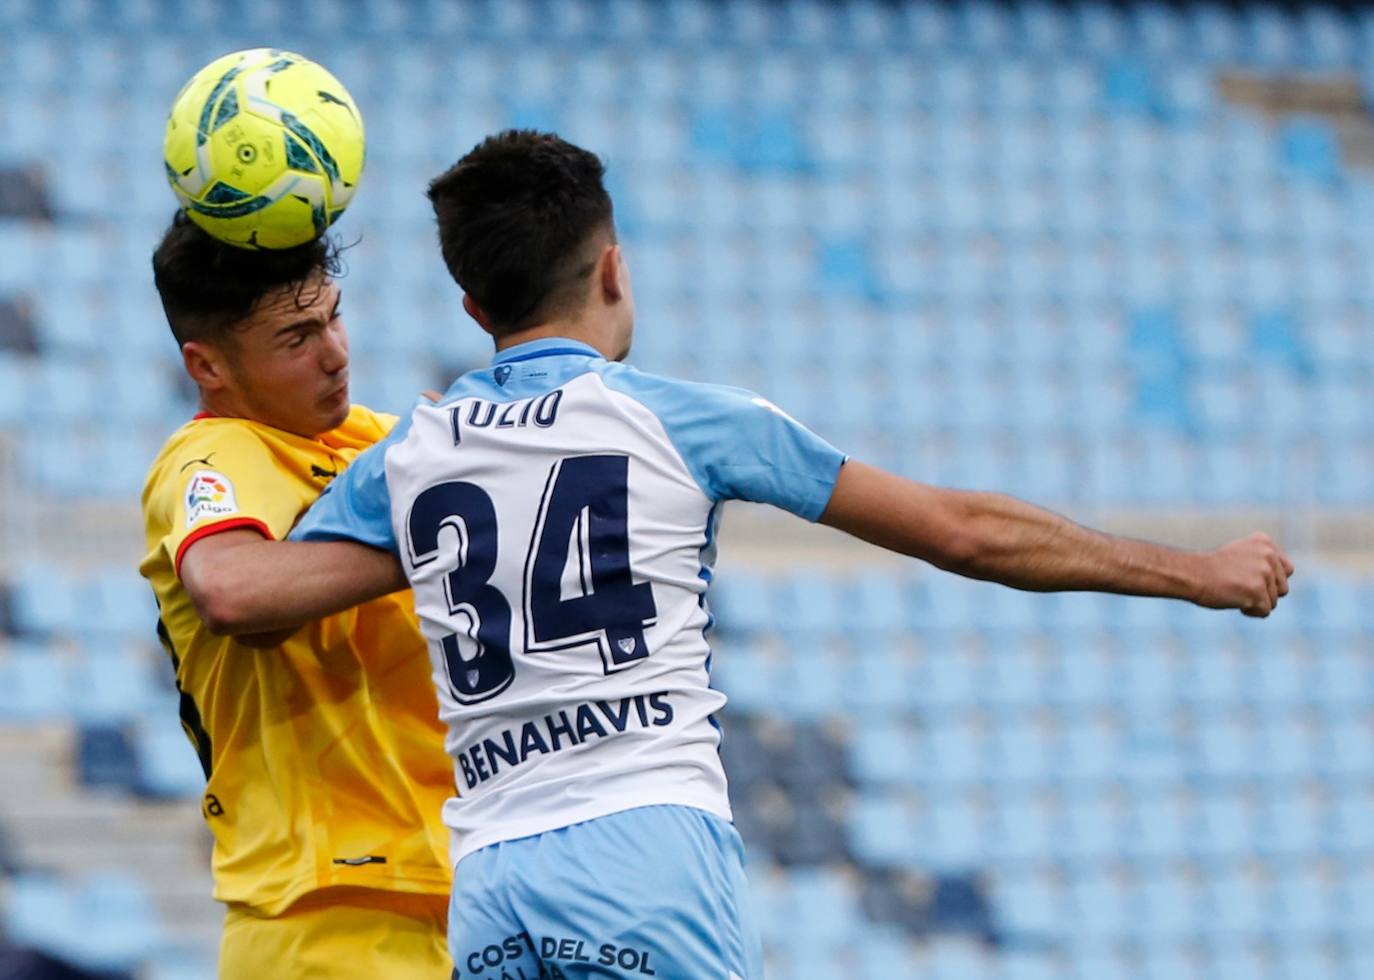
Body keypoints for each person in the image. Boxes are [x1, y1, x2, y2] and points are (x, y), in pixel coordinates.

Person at [220, 131, 1294, 979]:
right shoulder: (688, 421)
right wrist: (1197, 571)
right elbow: (964, 530)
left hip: (492, 879)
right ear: (611, 267)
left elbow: (251, 594)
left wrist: (215, 444)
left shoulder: (410, 456)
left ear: (471, 303)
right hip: (645, 849)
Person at [137, 212, 455, 979]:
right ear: (207, 366)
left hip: (447, 897)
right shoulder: (214, 456)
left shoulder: (365, 440)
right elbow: (232, 590)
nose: (336, 354)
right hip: (323, 914)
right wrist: (433, 544)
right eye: (296, 339)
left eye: (333, 316)